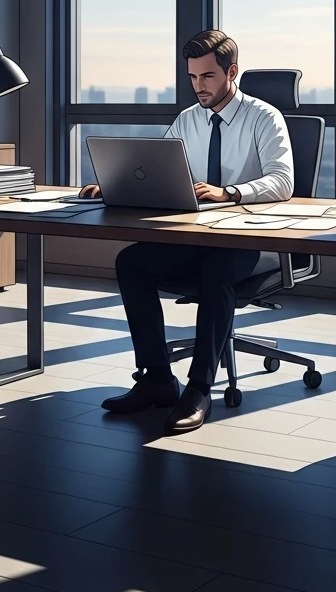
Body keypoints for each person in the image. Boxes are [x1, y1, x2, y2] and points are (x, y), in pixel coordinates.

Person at [80, 30, 294, 434]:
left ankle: (198, 390)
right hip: (200, 237)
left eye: (208, 77)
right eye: (193, 77)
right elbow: (159, 174)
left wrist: (229, 192)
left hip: (256, 241)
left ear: (232, 72)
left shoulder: (264, 117)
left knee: (218, 270)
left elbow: (283, 181)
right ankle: (158, 379)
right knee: (132, 262)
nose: (199, 87)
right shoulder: (186, 120)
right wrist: (115, 185)